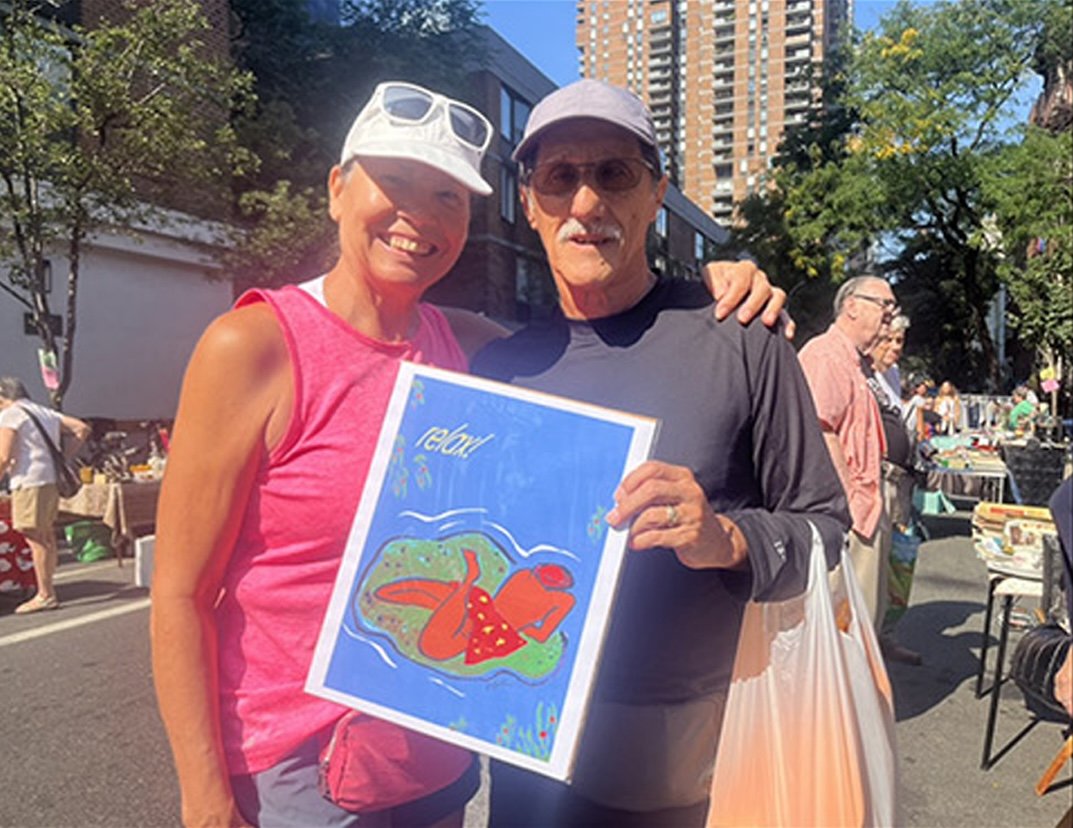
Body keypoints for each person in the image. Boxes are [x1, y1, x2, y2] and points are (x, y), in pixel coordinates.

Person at [149, 80, 788, 828]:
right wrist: (203, 796)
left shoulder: (468, 352)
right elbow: (180, 594)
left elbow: (605, 339)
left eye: (448, 197)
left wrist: (715, 287)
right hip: (296, 768)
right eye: (395, 184)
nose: (419, 217)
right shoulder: (254, 346)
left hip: (435, 754)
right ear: (335, 189)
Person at [470, 78, 850, 828]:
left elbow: (825, 529)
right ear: (528, 203)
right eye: (560, 177)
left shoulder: (738, 339)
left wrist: (728, 538)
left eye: (613, 174)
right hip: (521, 755)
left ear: (656, 194)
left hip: (682, 770)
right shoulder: (497, 370)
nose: (585, 203)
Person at [799, 275, 899, 630]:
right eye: (883, 304)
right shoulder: (826, 355)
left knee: (863, 621)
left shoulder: (854, 360)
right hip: (849, 513)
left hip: (863, 507)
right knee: (848, 629)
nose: (890, 313)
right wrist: (850, 502)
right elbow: (820, 430)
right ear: (851, 306)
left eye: (892, 306)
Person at [0, 376, 90, 614]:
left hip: (29, 480)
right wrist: (62, 458)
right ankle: (47, 590)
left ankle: (46, 594)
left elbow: (3, 456)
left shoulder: (10, 415)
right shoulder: (43, 411)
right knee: (45, 535)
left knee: (35, 537)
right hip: (49, 480)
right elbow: (82, 428)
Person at [867, 321, 923, 665]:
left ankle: (885, 636)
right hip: (876, 480)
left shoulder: (893, 374)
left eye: (900, 340)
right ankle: (867, 648)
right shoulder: (861, 373)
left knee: (895, 565)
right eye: (888, 339)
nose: (895, 346)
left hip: (899, 481)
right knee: (871, 570)